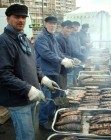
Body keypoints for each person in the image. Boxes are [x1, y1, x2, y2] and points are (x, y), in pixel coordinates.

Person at [0, 4, 59, 140]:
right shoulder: (4, 41)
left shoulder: (24, 39)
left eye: (23, 17)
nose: (21, 20)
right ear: (8, 18)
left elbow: (34, 64)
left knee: (30, 134)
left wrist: (43, 79)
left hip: (30, 98)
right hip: (18, 100)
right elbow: (3, 74)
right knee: (26, 137)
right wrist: (28, 89)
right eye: (16, 17)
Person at [34, 16, 74, 129]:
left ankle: (51, 115)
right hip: (45, 72)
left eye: (54, 24)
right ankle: (42, 121)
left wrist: (67, 58)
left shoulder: (53, 37)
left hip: (54, 71)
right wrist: (61, 60)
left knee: (55, 95)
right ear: (45, 23)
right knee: (46, 98)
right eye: (50, 23)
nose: (53, 26)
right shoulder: (41, 38)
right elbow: (46, 53)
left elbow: (58, 52)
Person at [56, 20, 85, 89]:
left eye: (70, 28)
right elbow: (60, 53)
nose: (69, 30)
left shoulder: (68, 38)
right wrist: (72, 59)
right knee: (62, 87)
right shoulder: (58, 39)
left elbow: (72, 51)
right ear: (62, 28)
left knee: (67, 86)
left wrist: (82, 57)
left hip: (68, 67)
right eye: (67, 28)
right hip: (60, 68)